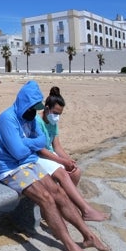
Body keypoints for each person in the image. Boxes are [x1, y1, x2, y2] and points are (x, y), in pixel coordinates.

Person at [0, 80, 108, 251]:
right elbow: (18, 152)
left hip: (29, 163)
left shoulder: (30, 117)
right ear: (24, 103)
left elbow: (41, 141)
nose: (33, 111)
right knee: (46, 198)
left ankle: (88, 236)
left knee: (59, 193)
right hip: (11, 169)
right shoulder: (7, 119)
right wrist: (30, 144)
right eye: (32, 107)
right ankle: (73, 250)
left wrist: (27, 144)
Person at [36, 87, 109, 221]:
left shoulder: (53, 122)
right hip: (40, 156)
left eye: (60, 114)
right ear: (46, 108)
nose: (57, 117)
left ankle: (64, 205)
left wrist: (68, 160)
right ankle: (86, 210)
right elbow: (40, 149)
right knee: (63, 173)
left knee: (75, 172)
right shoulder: (37, 122)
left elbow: (57, 146)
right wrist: (62, 162)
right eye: (55, 113)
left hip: (50, 154)